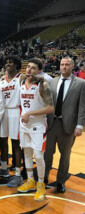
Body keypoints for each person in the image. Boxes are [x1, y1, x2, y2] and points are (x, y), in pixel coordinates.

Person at [45, 56, 85, 193]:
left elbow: (82, 106)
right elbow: (47, 103)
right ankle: (44, 177)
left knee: (65, 156)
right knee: (47, 153)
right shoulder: (52, 81)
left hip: (68, 125)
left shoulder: (80, 83)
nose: (64, 67)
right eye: (62, 64)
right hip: (51, 124)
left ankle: (61, 181)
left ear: (72, 66)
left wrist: (80, 125)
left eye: (67, 64)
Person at [17, 59, 54, 202]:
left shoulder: (42, 84)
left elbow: (50, 108)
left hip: (38, 125)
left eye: (33, 68)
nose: (29, 70)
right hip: (24, 124)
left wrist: (29, 113)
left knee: (38, 156)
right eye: (27, 67)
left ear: (39, 70)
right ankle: (30, 181)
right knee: (26, 153)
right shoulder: (22, 82)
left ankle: (41, 184)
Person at [0, 56, 25, 187]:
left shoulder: (21, 78)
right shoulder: (1, 80)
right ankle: (4, 167)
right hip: (2, 111)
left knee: (16, 143)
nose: (8, 64)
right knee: (2, 140)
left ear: (16, 65)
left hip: (15, 111)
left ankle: (18, 174)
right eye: (6, 62)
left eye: (10, 62)